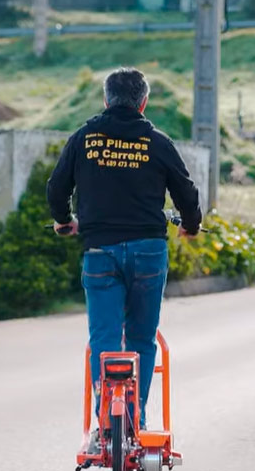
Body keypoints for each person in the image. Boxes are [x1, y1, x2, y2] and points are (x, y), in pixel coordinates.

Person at [46, 67, 202, 431]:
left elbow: (57, 188)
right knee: (141, 338)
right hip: (149, 252)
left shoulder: (84, 138)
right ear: (143, 103)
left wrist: (63, 219)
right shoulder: (158, 142)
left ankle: (107, 421)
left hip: (100, 251)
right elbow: (187, 193)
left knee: (103, 336)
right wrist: (191, 226)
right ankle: (135, 419)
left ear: (106, 99)